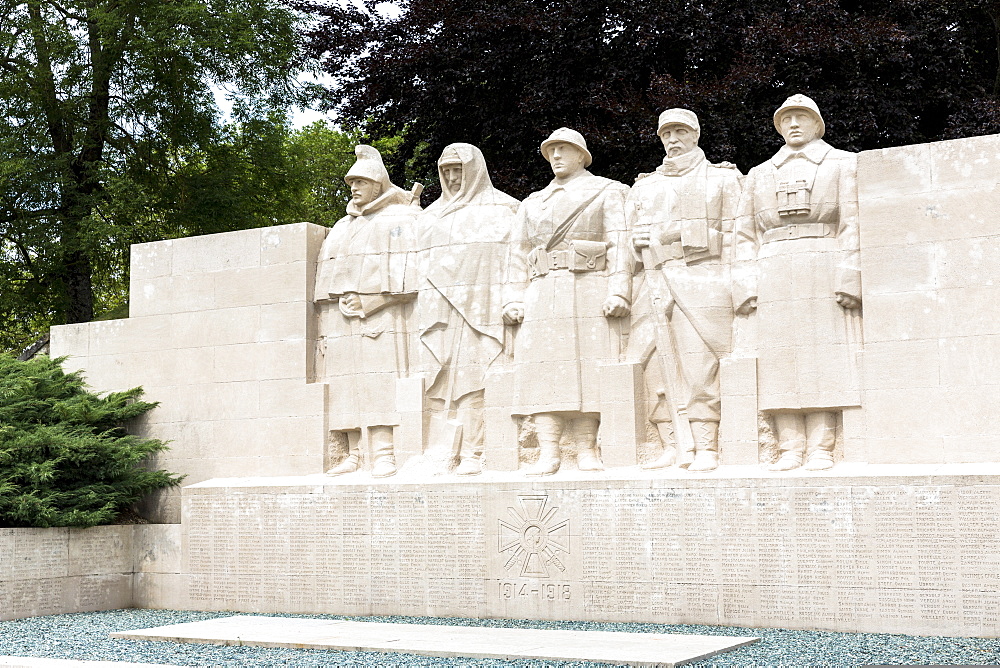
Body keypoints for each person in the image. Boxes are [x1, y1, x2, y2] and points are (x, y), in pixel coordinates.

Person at [734, 94, 862, 471]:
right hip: (771, 266)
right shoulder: (759, 173)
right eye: (785, 118)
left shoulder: (842, 164)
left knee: (824, 356)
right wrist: (744, 282)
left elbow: (853, 222)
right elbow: (741, 234)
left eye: (801, 117)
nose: (793, 124)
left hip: (823, 259)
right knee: (779, 360)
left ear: (817, 124)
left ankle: (822, 445)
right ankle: (790, 445)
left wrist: (850, 273)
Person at [502, 127, 632, 475]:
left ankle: (587, 449)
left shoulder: (606, 191)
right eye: (551, 151)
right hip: (542, 291)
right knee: (543, 372)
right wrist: (513, 298)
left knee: (588, 369)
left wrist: (619, 290)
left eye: (563, 149)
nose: (556, 156)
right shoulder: (532, 202)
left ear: (581, 156)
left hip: (588, 285)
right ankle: (549, 452)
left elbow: (620, 243)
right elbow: (518, 254)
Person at [626, 108, 742, 472]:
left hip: (702, 279)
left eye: (680, 132)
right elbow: (625, 247)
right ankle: (671, 443)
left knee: (699, 364)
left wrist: (686, 236)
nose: (673, 140)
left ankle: (706, 444)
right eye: (666, 134)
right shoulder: (644, 186)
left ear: (695, 134)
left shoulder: (722, 179)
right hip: (654, 280)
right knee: (654, 368)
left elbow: (739, 234)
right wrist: (636, 242)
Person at [314, 145, 421, 478]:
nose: (355, 188)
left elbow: (410, 275)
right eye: (351, 183)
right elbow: (326, 282)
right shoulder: (342, 227)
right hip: (340, 318)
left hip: (382, 316)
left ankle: (385, 453)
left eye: (361, 182)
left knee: (381, 385)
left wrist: (373, 301)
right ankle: (355, 453)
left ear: (378, 184)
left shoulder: (400, 218)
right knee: (345, 386)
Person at [416, 143, 519, 475]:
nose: (451, 176)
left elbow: (518, 261)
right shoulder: (429, 217)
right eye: (445, 171)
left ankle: (474, 452)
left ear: (474, 170)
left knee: (474, 380)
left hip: (484, 313)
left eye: (458, 169)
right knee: (442, 383)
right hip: (440, 316)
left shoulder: (506, 209)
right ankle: (442, 450)